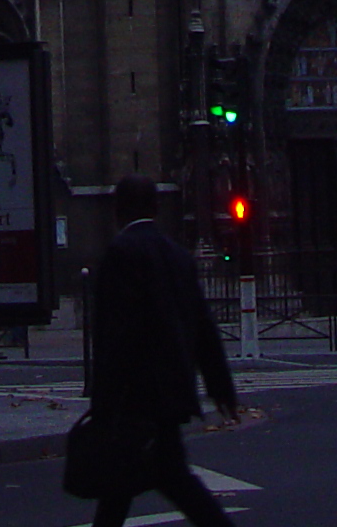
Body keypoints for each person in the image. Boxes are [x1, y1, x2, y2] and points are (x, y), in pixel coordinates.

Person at [86, 176, 239, 527]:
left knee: (127, 485)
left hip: (134, 395)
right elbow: (203, 327)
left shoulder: (120, 254)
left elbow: (116, 335)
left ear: (118, 211)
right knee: (161, 479)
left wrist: (104, 401)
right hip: (171, 391)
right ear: (156, 208)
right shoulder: (177, 255)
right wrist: (220, 386)